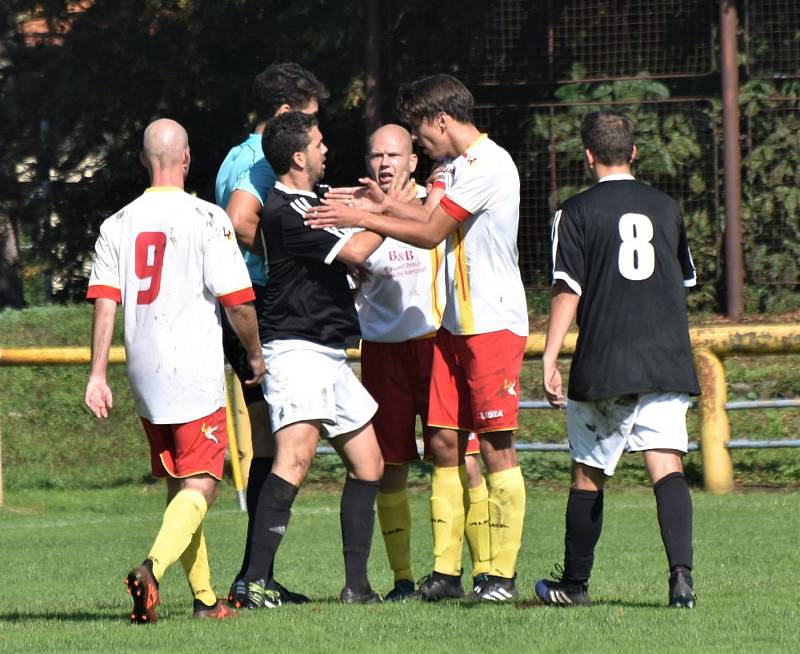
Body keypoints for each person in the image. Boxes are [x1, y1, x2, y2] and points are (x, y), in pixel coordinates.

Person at [305, 75, 529, 602]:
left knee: (495, 447)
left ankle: (501, 575)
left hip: (491, 325)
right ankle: (446, 574)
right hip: (453, 328)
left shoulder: (489, 164)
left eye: (418, 129)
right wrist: (376, 203)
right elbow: (424, 213)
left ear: (442, 120)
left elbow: (430, 231)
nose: (418, 139)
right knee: (446, 443)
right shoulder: (453, 169)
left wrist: (362, 212)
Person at [85, 118, 265, 623]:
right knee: (202, 485)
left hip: (143, 371)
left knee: (178, 486)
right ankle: (151, 569)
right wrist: (254, 353)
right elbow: (238, 301)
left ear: (145, 160)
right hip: (192, 370)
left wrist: (97, 374)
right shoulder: (208, 219)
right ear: (185, 159)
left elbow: (104, 303)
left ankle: (206, 601)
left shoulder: (116, 223)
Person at [533, 110, 699, 608]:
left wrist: (548, 355)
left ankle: (575, 586)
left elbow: (568, 292)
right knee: (666, 467)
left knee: (587, 473)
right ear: (634, 153)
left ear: (587, 156)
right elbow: (683, 283)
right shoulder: (667, 208)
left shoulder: (575, 213)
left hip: (606, 361)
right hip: (666, 359)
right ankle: (682, 580)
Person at [232, 111, 385, 608]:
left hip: (326, 351)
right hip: (296, 349)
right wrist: (399, 210)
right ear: (298, 157)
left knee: (369, 464)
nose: (325, 150)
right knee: (294, 460)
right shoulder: (288, 211)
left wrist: (365, 202)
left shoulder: (308, 201)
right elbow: (360, 248)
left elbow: (347, 225)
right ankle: (254, 581)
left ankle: (356, 587)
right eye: (318, 144)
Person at [356, 124, 490, 601]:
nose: (385, 163)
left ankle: (484, 574)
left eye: (394, 154)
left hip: (435, 345)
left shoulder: (436, 203)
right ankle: (403, 580)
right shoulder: (355, 208)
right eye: (376, 155)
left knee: (461, 459)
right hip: (381, 352)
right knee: (390, 467)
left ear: (414, 160)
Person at [215, 62, 328, 607]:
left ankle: (254, 574)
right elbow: (240, 220)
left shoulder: (238, 154)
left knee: (270, 443)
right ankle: (251, 576)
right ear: (286, 112)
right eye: (309, 118)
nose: (313, 131)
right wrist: (291, 254)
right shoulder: (258, 159)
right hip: (258, 307)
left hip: (251, 306)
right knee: (281, 446)